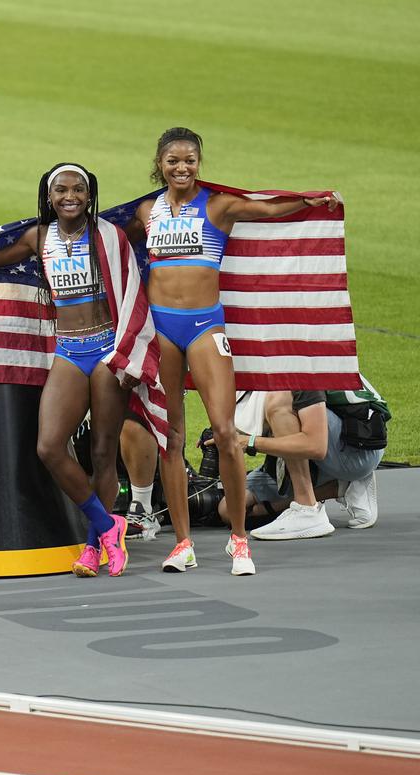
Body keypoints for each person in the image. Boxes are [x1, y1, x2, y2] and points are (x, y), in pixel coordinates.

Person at [0, 163, 164, 577]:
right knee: (49, 447)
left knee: (101, 451)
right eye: (61, 189)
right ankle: (107, 523)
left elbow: (144, 241)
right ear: (48, 195)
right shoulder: (38, 237)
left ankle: (95, 547)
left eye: (79, 189)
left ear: (90, 195)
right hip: (69, 351)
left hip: (107, 350)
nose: (70, 196)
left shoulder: (107, 235)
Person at [124, 128, 340, 576]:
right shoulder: (147, 211)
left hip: (204, 326)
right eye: (173, 161)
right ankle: (182, 544)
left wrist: (306, 200)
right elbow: (107, 237)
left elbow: (266, 209)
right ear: (159, 164)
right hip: (161, 328)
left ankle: (238, 541)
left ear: (199, 163)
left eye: (190, 160)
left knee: (225, 431)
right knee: (172, 436)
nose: (182, 167)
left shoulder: (219, 206)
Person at [215, 377, 388, 540]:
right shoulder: (246, 374)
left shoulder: (297, 361)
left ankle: (307, 508)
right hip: (321, 451)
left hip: (356, 450)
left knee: (279, 400)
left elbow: (315, 446)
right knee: (229, 509)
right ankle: (340, 488)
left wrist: (251, 442)